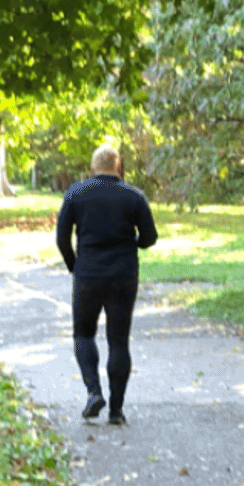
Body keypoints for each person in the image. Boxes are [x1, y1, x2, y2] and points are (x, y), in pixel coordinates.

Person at [55, 145, 158, 426]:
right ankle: (116, 410)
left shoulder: (76, 194)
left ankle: (93, 392)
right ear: (118, 167)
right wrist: (131, 246)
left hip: (88, 273)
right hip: (123, 275)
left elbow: (62, 238)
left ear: (92, 168)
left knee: (83, 334)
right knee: (119, 341)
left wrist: (73, 265)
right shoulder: (134, 196)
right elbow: (150, 237)